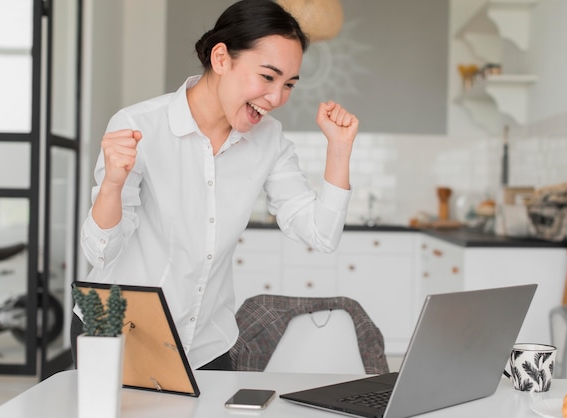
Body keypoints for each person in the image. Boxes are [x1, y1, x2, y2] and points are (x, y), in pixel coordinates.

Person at [72, 0, 359, 371]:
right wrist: (112, 183)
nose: (276, 99)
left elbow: (322, 235)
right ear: (221, 59)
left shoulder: (269, 140)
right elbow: (101, 253)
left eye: (288, 84)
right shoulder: (139, 124)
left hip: (207, 343)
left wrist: (339, 149)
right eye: (268, 77)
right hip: (122, 332)